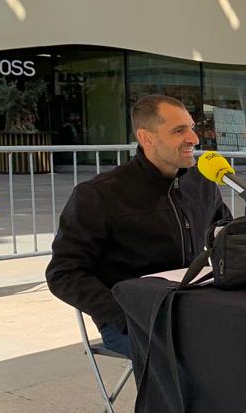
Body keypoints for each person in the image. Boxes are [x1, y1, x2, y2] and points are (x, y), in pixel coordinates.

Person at [46, 95, 230, 356]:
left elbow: (226, 235)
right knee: (203, 358)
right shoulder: (99, 195)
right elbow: (63, 273)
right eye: (179, 130)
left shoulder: (202, 184)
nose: (194, 138)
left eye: (192, 127)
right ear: (147, 138)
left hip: (192, 308)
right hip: (129, 321)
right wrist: (123, 313)